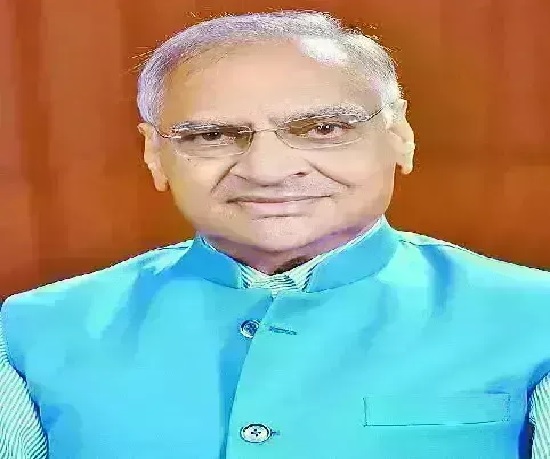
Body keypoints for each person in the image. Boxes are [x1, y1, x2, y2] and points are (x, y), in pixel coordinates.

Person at [1, 9, 549, 459]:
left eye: (323, 129)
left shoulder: (535, 318)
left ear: (399, 135)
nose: (267, 170)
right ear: (155, 154)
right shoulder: (32, 330)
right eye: (212, 135)